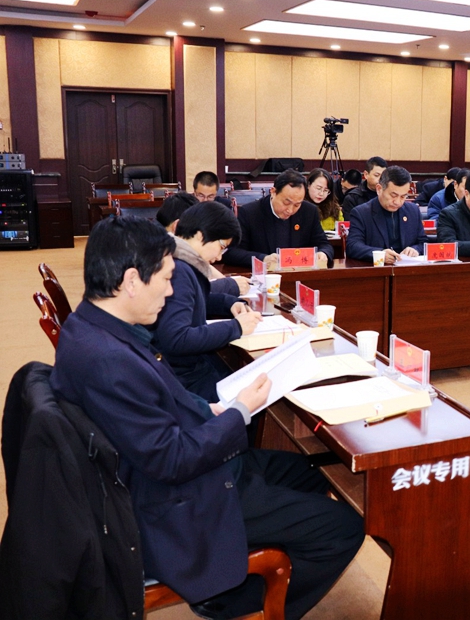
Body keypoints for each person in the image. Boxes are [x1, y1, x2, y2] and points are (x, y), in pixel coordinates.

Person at [49, 217, 364, 620]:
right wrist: (238, 412)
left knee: (312, 472)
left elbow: (161, 402)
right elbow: (172, 460)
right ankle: (232, 601)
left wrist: (210, 410)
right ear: (131, 281)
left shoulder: (94, 326)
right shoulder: (108, 360)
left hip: (174, 465)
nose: (170, 291)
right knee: (343, 527)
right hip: (177, 496)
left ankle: (237, 573)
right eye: (166, 279)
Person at [153, 201, 263, 401]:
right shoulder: (179, 269)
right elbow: (177, 339)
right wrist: (236, 327)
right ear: (200, 235)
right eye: (221, 246)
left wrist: (228, 303)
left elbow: (192, 299)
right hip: (182, 377)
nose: (219, 257)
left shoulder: (179, 259)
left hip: (185, 367)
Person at [225, 170, 333, 269]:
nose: (290, 210)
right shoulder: (250, 213)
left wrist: (323, 253)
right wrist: (263, 259)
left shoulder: (309, 211)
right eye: (286, 203)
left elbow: (324, 244)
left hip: (299, 275)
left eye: (297, 205)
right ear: (273, 192)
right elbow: (232, 252)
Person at [157, 192, 250, 296]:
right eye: (221, 247)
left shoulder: (182, 256)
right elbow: (187, 292)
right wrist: (228, 285)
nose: (219, 257)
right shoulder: (171, 262)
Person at [346, 165, 428, 264]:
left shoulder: (413, 211)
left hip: (407, 268)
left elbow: (423, 242)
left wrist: (415, 249)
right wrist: (380, 254)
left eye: (403, 196)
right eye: (393, 195)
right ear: (379, 189)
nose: (397, 202)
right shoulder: (361, 213)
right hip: (377, 269)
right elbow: (353, 246)